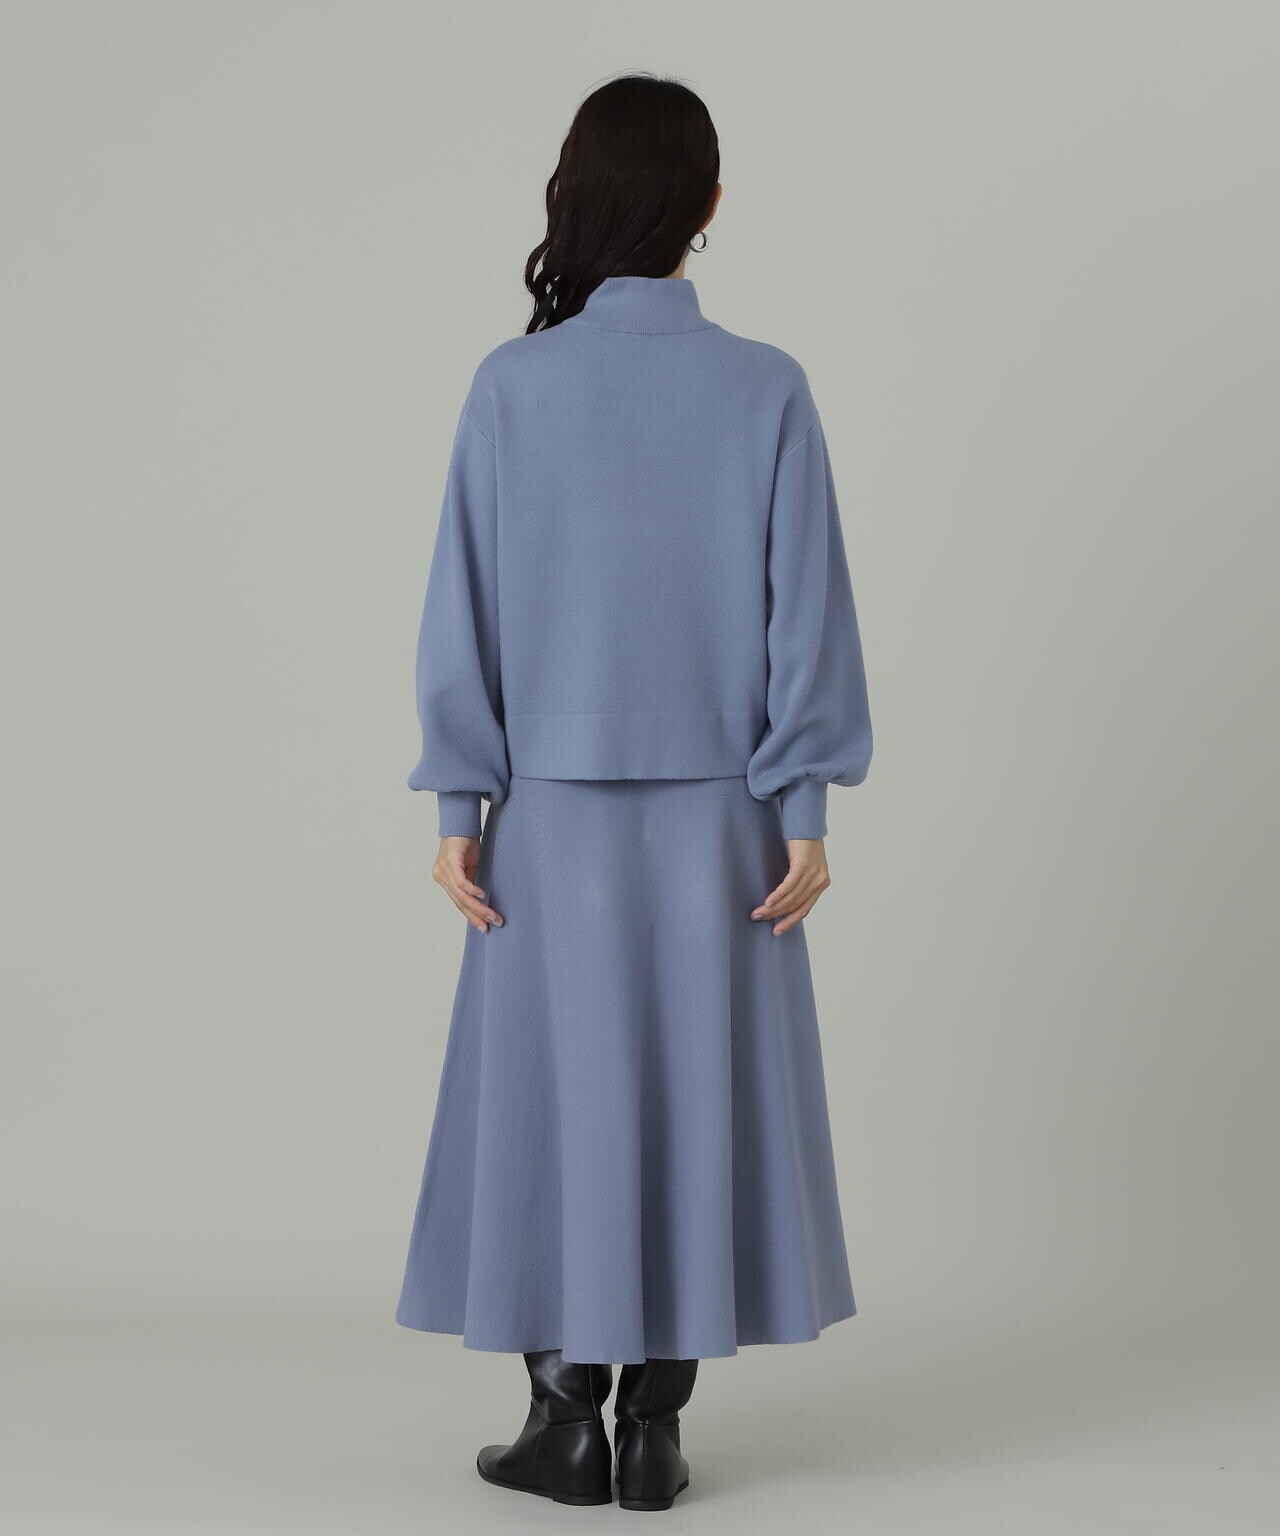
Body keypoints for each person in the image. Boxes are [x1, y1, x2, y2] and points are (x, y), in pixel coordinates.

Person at [394, 72, 873, 1512]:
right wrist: (805, 809)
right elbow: (807, 614)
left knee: (555, 1103)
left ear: (577, 193)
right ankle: (656, 1430)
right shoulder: (765, 385)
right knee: (694, 1096)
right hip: (727, 820)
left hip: (548, 819)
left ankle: (563, 1420)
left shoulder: (512, 384)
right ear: (709, 204)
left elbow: (463, 609)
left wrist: (459, 809)